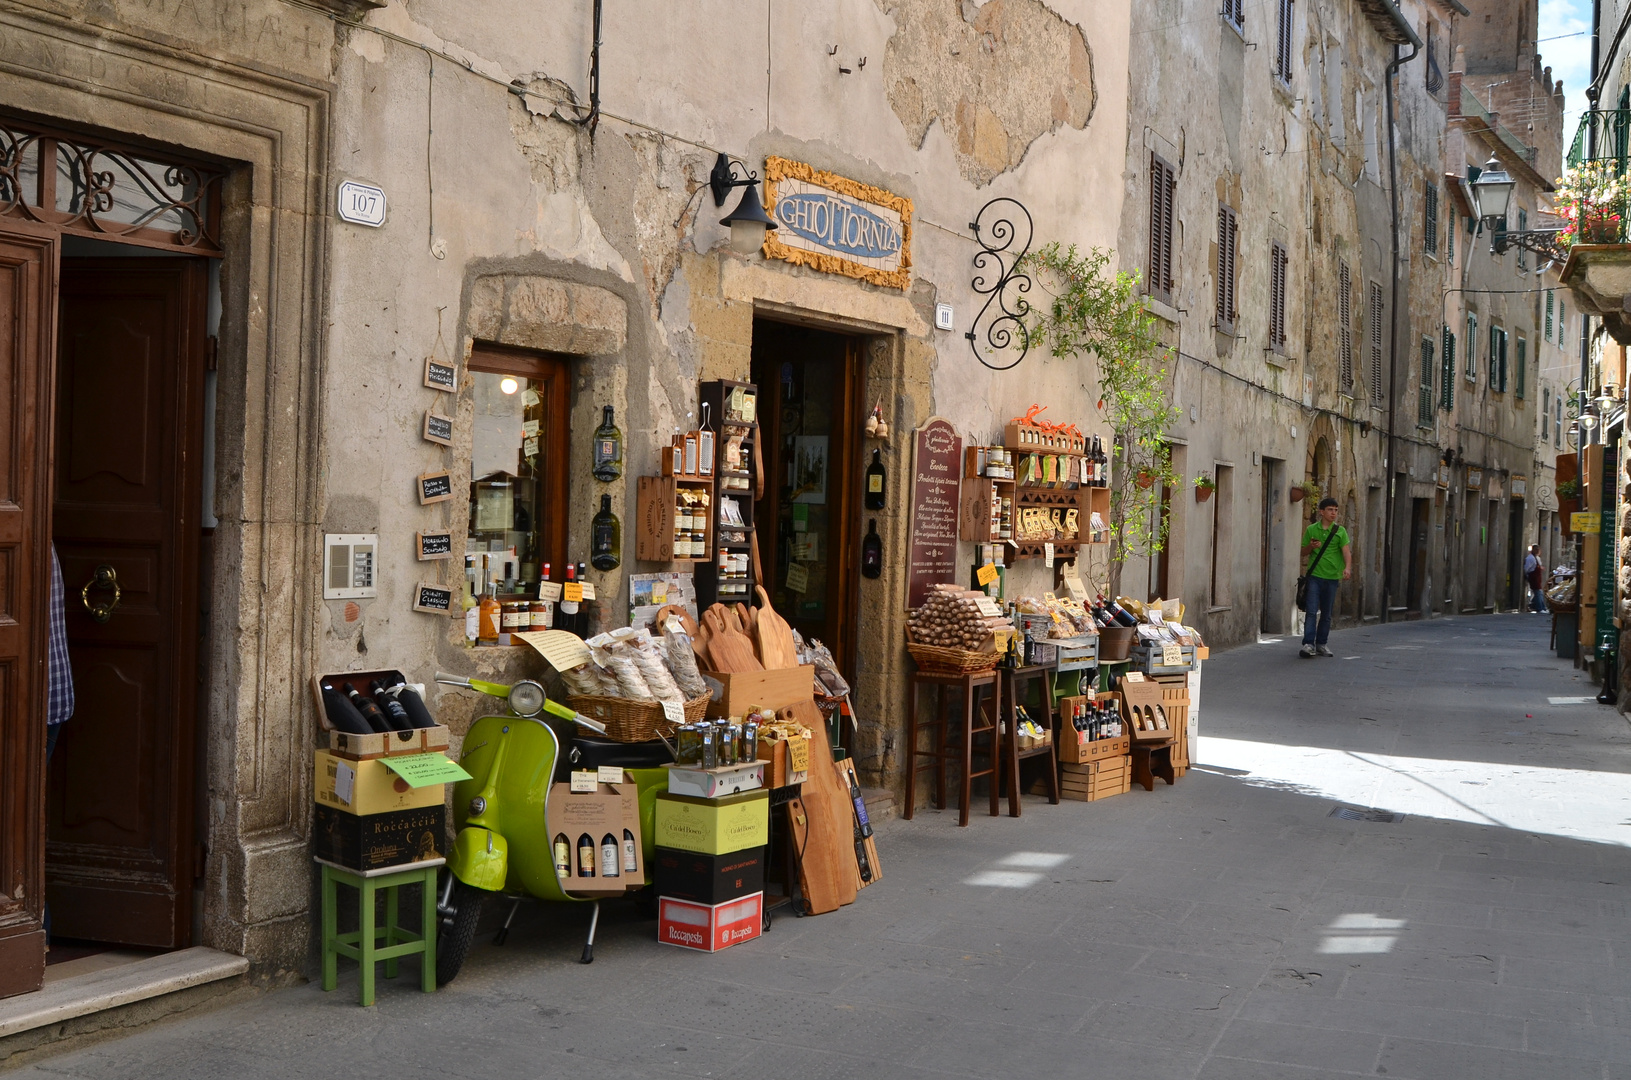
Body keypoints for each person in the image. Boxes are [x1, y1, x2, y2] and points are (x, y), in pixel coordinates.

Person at [1299, 497, 1351, 658]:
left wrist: (1347, 568)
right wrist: (1311, 546)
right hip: (1315, 576)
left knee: (1327, 613)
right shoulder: (1312, 530)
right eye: (1330, 510)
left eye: (1336, 510)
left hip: (1332, 577)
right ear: (1322, 512)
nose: (1333, 513)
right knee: (1312, 611)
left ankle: (1321, 644)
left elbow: (1346, 552)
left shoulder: (1340, 531)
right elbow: (1303, 552)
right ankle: (1308, 644)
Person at [1524, 544, 1548, 614]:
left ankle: (1539, 606)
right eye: (1536, 549)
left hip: (1537, 578)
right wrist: (1527, 576)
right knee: (1538, 593)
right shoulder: (1530, 558)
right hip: (1533, 577)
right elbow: (1526, 569)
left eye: (1538, 549)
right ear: (1533, 550)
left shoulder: (1536, 558)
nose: (1538, 551)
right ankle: (1540, 608)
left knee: (1539, 593)